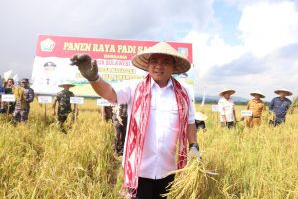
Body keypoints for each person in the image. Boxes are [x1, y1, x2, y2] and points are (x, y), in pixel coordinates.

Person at [70, 42, 200, 199]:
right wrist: (94, 78)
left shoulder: (183, 93)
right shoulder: (134, 87)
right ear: (148, 65)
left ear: (174, 67)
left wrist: (193, 146)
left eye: (165, 62)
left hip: (170, 169)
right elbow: (110, 93)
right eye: (154, 61)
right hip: (139, 169)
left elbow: (190, 122)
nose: (159, 66)